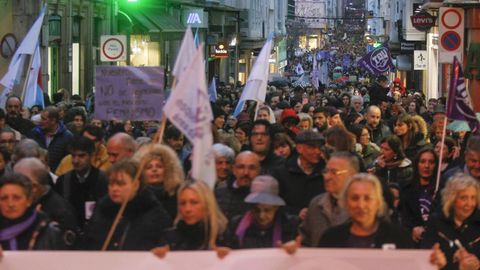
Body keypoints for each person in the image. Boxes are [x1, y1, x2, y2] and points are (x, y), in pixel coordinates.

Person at [83, 159, 172, 250]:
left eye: (120, 184)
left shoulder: (155, 215)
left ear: (136, 185)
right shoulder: (101, 210)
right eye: (111, 184)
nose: (114, 189)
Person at [319, 173, 413, 249]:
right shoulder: (330, 238)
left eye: (367, 198)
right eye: (355, 198)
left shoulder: (399, 238)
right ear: (346, 202)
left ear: (378, 202)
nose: (361, 205)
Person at [13, 158, 78, 247]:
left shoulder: (61, 211)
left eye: (17, 185)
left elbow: (65, 248)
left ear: (34, 187)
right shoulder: (21, 205)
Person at [421, 173, 480, 270]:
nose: (469, 204)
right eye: (463, 198)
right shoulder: (436, 222)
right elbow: (425, 261)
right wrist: (454, 263)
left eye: (473, 198)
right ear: (451, 199)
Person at [225, 175, 300, 250]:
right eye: (256, 210)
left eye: (267, 210)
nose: (261, 216)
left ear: (276, 207)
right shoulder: (236, 224)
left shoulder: (291, 225)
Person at [152, 180, 228, 254]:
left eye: (194, 203)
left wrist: (227, 257)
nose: (187, 209)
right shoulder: (169, 239)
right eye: (183, 203)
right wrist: (159, 258)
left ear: (208, 206)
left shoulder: (223, 235)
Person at [301, 152, 359, 247]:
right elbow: (304, 241)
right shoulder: (316, 204)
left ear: (352, 175)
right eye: (326, 171)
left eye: (334, 172)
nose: (327, 177)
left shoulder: (365, 207)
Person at [53, 136, 108, 228]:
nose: (76, 161)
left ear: (91, 156)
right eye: (73, 156)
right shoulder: (63, 181)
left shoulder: (103, 180)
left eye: (81, 156)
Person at [0, 174, 65, 250]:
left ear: (29, 200)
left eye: (16, 198)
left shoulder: (48, 232)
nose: (10, 204)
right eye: (4, 198)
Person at [273, 130, 325, 217]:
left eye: (319, 148)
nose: (317, 151)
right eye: (312, 147)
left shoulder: (326, 171)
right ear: (299, 148)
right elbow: (274, 204)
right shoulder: (282, 173)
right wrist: (297, 213)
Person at [400, 148, 439, 245]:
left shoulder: (442, 189)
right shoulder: (406, 188)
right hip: (413, 242)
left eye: (431, 162)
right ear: (416, 164)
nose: (427, 166)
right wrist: (413, 228)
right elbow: (403, 216)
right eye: (422, 162)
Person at [139, 144, 184, 219]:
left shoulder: (178, 195)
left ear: (168, 169)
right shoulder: (138, 198)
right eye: (149, 167)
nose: (154, 170)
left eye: (159, 166)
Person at [215, 151, 261, 221]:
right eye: (241, 167)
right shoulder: (218, 194)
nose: (246, 173)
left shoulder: (264, 197)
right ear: (234, 170)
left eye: (252, 168)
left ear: (259, 171)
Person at [30, 106, 74, 171]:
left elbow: (69, 160)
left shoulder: (67, 137)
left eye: (44, 119)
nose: (40, 121)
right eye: (41, 118)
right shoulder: (35, 133)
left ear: (53, 121)